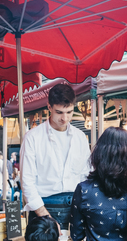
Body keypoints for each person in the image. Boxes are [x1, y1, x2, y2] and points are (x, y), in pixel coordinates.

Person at [20, 83, 91, 229]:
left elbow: (86, 176)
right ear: (49, 107)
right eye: (59, 112)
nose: (65, 118)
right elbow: (27, 182)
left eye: (69, 112)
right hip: (44, 207)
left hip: (76, 207)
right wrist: (45, 216)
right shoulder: (32, 137)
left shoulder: (80, 137)